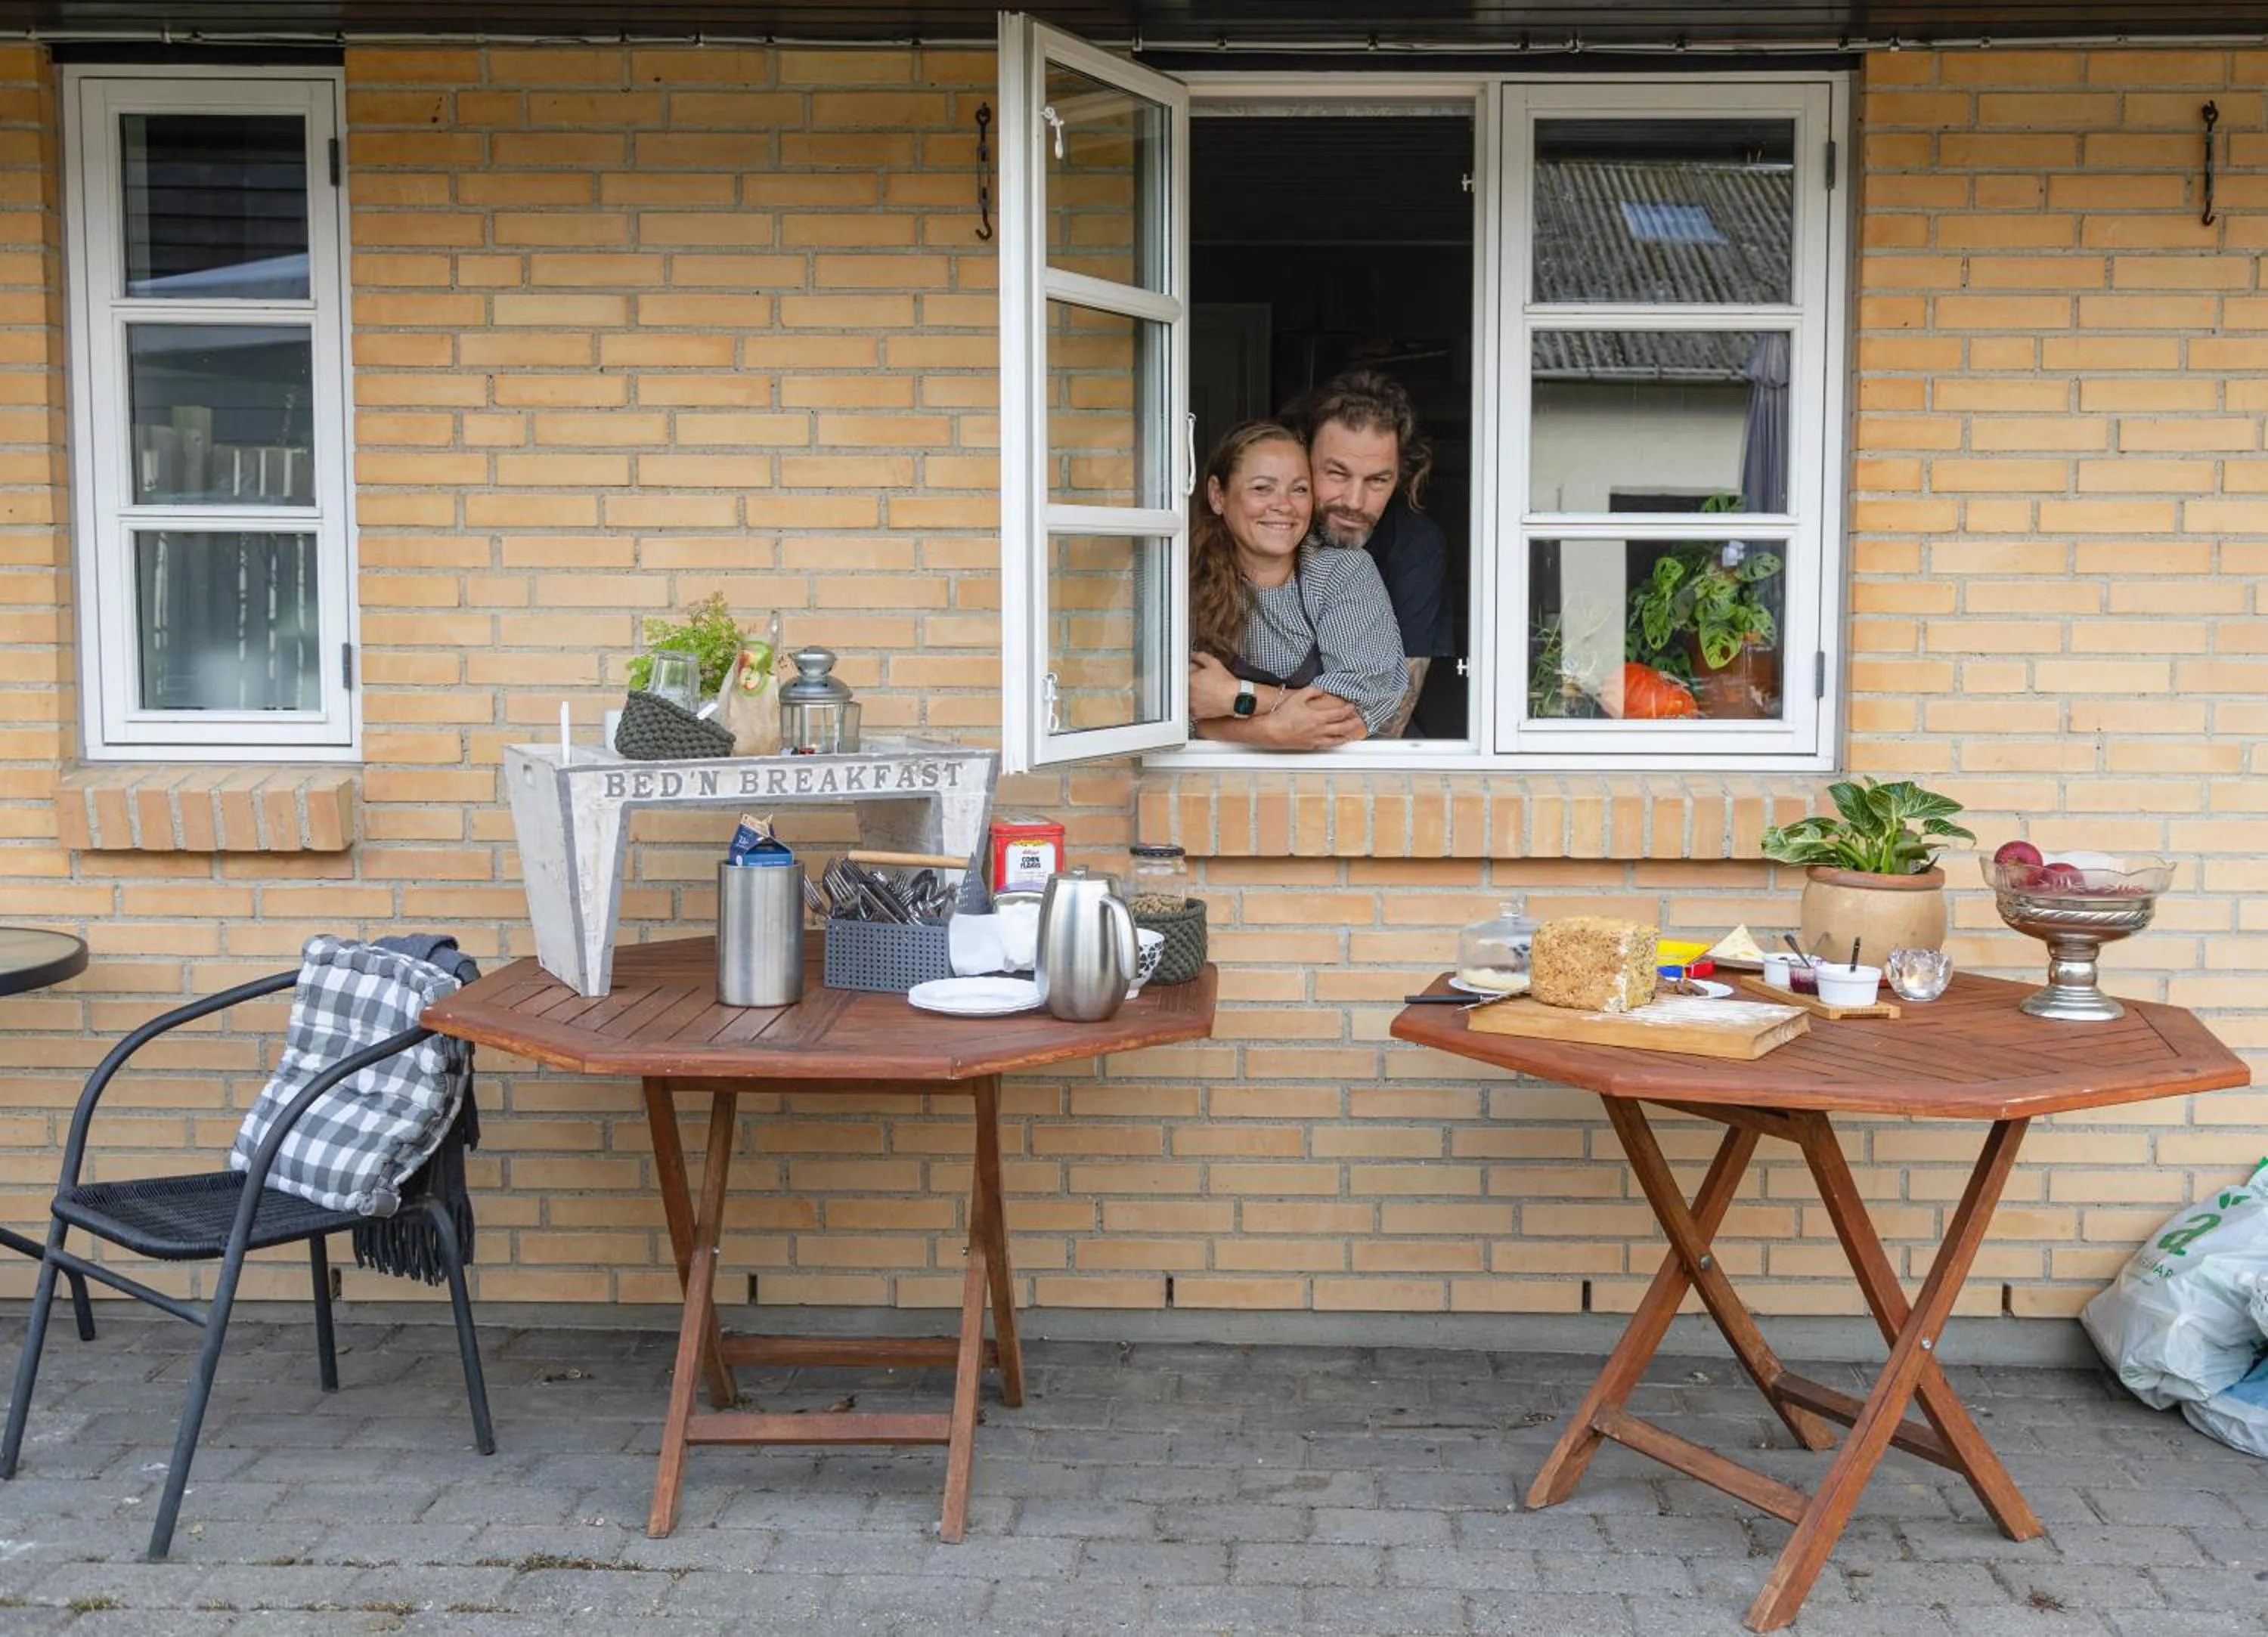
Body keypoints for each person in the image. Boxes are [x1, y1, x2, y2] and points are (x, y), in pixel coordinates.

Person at [1185, 420, 1407, 750]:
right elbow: (1171, 712)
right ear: (1218, 495)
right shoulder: (1182, 579)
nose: (1284, 505)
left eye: (1299, 490)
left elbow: (1359, 707)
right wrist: (1269, 731)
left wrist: (1236, 697)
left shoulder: (1341, 570)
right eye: (1262, 488)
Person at [1290, 371, 1458, 738]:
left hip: (1373, 764)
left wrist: (1240, 702)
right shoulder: (1267, 528)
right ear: (1301, 455)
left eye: (1377, 480)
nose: (1354, 502)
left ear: (1401, 477)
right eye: (1337, 474)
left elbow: (1386, 722)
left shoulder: (1415, 545)